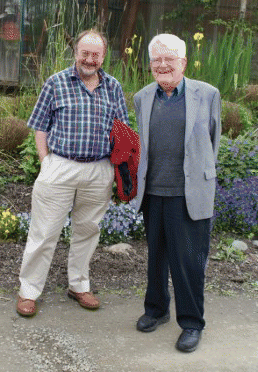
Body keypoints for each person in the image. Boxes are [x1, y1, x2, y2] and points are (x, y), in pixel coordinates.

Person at [17, 29, 129, 317]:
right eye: (85, 53)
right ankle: (29, 291)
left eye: (96, 54)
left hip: (98, 170)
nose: (90, 59)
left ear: (104, 56)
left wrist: (118, 171)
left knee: (87, 231)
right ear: (76, 53)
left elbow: (122, 131)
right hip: (60, 166)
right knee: (44, 233)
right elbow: (40, 126)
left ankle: (79, 285)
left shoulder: (114, 87)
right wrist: (45, 162)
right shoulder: (55, 83)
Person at [133, 34, 221, 352]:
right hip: (153, 192)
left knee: (188, 263)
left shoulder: (208, 94)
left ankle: (192, 323)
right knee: (156, 259)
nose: (163, 65)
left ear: (183, 62)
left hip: (189, 194)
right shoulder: (143, 96)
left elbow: (213, 143)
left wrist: (201, 181)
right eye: (157, 59)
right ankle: (156, 311)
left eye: (169, 58)